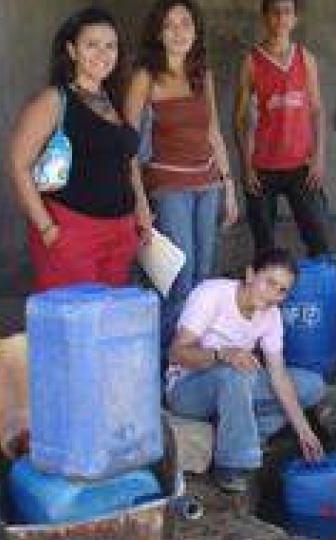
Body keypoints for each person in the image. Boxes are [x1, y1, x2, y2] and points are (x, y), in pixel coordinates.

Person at [9, 7, 152, 291]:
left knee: (106, 325)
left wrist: (142, 209)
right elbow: (17, 164)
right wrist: (48, 229)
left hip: (119, 232)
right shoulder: (54, 100)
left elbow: (127, 161)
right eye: (91, 45)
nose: (103, 53)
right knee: (74, 325)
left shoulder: (114, 100)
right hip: (72, 230)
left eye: (110, 46)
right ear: (72, 50)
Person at [125, 0, 238, 348]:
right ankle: (161, 362)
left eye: (185, 23)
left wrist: (229, 187)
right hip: (168, 185)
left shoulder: (202, 75)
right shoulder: (145, 76)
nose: (178, 31)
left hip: (207, 184)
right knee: (178, 277)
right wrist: (139, 203)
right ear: (158, 33)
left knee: (203, 275)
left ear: (195, 30)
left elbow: (214, 133)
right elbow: (126, 146)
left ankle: (189, 358)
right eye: (170, 25)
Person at [166, 248, 325, 493]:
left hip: (236, 383)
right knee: (237, 372)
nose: (273, 294)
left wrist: (304, 431)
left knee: (312, 386)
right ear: (251, 274)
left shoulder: (271, 316)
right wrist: (222, 354)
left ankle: (244, 434)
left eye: (282, 290)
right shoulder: (213, 294)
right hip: (187, 389)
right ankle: (231, 465)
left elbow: (278, 375)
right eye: (269, 282)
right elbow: (177, 353)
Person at [234, 0, 329, 258]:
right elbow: (240, 117)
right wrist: (245, 164)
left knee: (319, 238)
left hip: (302, 165)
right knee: (264, 245)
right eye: (274, 12)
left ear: (294, 19)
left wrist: (319, 157)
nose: (280, 18)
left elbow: (317, 110)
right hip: (262, 167)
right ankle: (267, 297)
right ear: (265, 18)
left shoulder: (305, 58)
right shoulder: (252, 62)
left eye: (287, 12)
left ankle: (316, 292)